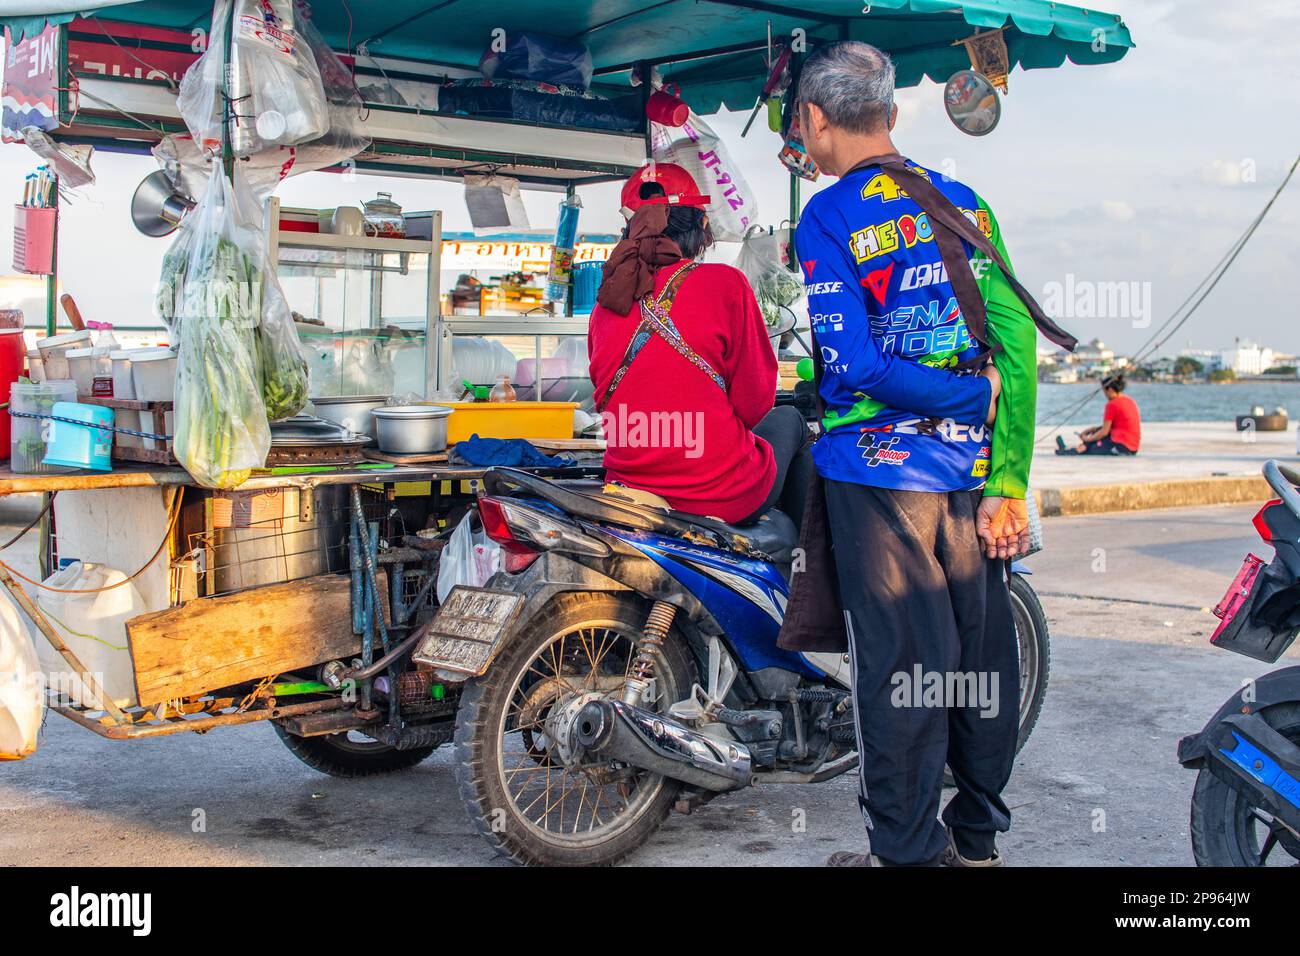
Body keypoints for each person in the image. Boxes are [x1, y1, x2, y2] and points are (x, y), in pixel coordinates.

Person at [794, 40, 1043, 866]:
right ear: (894, 118)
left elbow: (855, 364)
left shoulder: (828, 216)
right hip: (970, 479)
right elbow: (1015, 346)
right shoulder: (964, 199)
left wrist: (962, 395)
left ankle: (906, 855)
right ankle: (975, 841)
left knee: (898, 671)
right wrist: (1009, 477)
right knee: (977, 660)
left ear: (814, 121)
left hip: (877, 476)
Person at [587, 162, 812, 527]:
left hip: (629, 495)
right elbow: (754, 405)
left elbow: (605, 394)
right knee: (792, 420)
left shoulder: (606, 302)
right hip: (721, 496)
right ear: (700, 226)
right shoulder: (726, 284)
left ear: (630, 229)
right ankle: (803, 573)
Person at [1055, 374, 1141, 455]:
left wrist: (1087, 439)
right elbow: (1110, 427)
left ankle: (1077, 450)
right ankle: (1078, 449)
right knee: (1096, 436)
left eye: (1105, 392)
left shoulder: (1112, 404)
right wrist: (1093, 429)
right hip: (1133, 447)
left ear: (1110, 390)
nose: (1105, 395)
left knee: (1091, 447)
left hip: (1121, 447)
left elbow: (1104, 432)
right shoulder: (1130, 401)